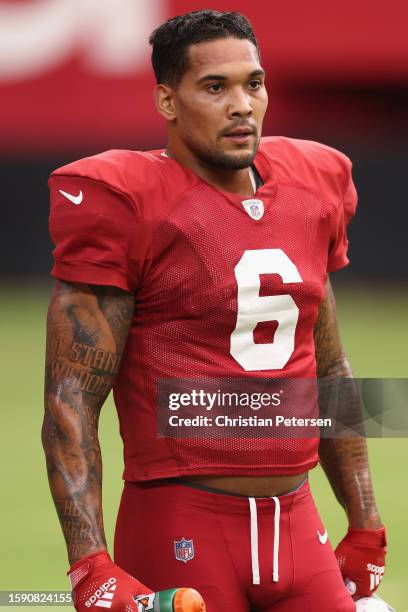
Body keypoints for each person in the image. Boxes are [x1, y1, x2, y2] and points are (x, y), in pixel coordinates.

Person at [42, 10, 387, 612]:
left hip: (298, 526)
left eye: (253, 84)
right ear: (167, 101)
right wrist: (89, 562)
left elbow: (328, 372)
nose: (241, 105)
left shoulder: (314, 185)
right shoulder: (129, 201)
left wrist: (365, 521)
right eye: (215, 86)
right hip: (183, 523)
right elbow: (71, 400)